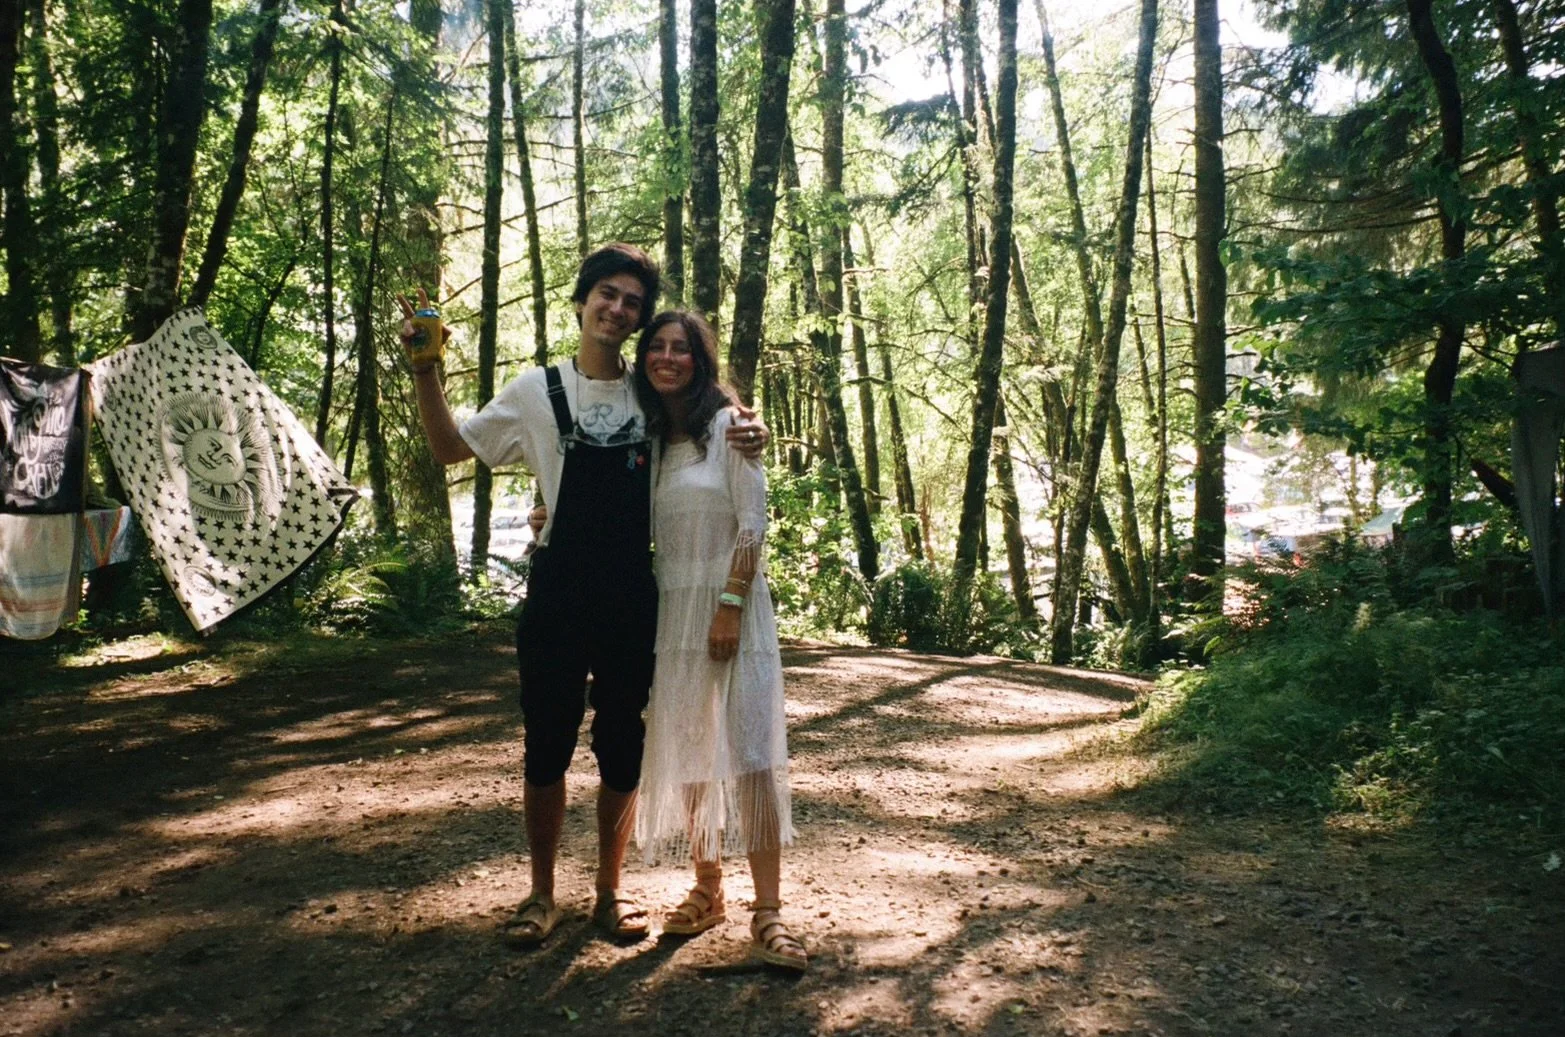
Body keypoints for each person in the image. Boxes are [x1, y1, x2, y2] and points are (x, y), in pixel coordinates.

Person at [397, 243, 766, 948]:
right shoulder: (534, 390)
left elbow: (709, 413)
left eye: (632, 302)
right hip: (559, 588)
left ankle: (609, 890)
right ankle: (540, 894)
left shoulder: (651, 394)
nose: (618, 309)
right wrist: (425, 369)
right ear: (582, 300)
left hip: (631, 590)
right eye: (608, 294)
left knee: (622, 746)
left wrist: (749, 423)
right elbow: (449, 449)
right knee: (546, 744)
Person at [631, 310, 806, 971]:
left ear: (700, 360)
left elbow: (753, 523)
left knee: (752, 752)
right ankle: (708, 888)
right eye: (656, 347)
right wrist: (547, 512)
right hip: (673, 612)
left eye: (680, 348)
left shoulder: (731, 427)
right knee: (692, 750)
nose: (667, 357)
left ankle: (769, 912)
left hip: (733, 609)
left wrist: (730, 604)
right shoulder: (649, 438)